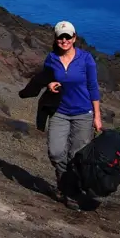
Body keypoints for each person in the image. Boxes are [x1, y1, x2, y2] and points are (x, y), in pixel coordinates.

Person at [43, 20, 102, 209]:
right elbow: (46, 78)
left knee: (77, 157)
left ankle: (71, 193)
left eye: (68, 36)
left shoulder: (86, 59)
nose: (64, 40)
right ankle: (64, 182)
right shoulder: (51, 58)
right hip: (60, 111)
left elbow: (93, 87)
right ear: (56, 38)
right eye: (61, 36)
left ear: (74, 38)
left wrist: (97, 116)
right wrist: (49, 84)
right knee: (56, 152)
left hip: (83, 114)